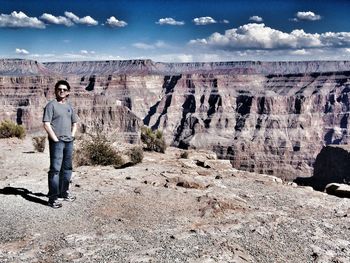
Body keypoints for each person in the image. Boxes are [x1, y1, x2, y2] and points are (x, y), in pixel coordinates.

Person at [43, 80, 78, 208]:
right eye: (59, 89)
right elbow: (46, 123)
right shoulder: (51, 105)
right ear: (55, 91)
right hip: (57, 142)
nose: (61, 91)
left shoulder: (69, 106)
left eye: (64, 89)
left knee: (67, 169)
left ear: (68, 92)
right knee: (55, 170)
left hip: (69, 141)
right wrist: (55, 139)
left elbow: (75, 122)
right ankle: (52, 198)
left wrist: (72, 136)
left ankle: (64, 193)